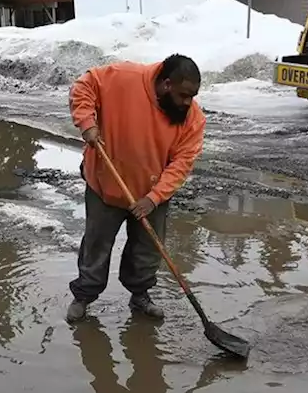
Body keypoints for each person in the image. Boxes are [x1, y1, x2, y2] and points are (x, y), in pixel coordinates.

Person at [66, 54, 205, 323]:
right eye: (184, 95)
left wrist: (153, 199)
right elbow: (83, 86)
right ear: (166, 84)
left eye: (193, 96)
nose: (189, 103)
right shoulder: (122, 78)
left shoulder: (192, 118)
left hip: (152, 193)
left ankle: (140, 296)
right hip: (105, 183)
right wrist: (86, 121)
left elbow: (182, 163)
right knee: (96, 244)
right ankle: (84, 295)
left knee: (147, 249)